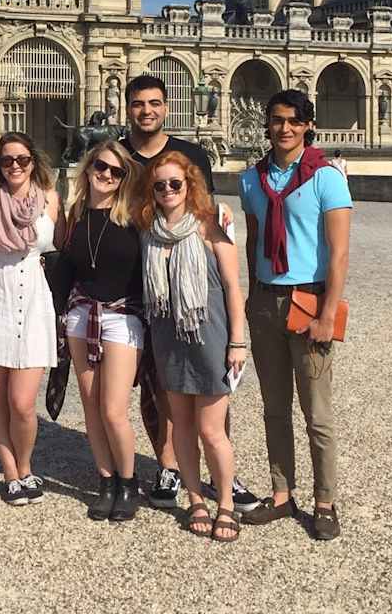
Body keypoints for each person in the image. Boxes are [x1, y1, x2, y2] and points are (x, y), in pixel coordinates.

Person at [119, 73, 259, 515]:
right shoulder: (115, 156)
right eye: (139, 103)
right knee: (158, 390)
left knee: (211, 391)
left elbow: (211, 215)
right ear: (127, 108)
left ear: (166, 106)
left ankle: (224, 474)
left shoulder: (191, 154)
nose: (148, 111)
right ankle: (169, 466)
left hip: (195, 299)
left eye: (155, 103)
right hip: (139, 288)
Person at [238, 89, 352, 541]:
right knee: (273, 408)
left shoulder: (327, 178)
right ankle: (282, 494)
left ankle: (325, 501)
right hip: (266, 299)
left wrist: (327, 314)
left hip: (308, 300)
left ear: (307, 125)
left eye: (292, 120)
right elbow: (252, 243)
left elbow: (339, 255)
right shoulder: (251, 181)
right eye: (276, 120)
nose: (283, 128)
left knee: (317, 412)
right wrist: (250, 295)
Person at [137, 152, 247, 543]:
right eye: (159, 185)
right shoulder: (148, 230)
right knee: (180, 426)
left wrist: (238, 341)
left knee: (211, 430)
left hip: (210, 337)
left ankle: (226, 505)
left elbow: (234, 288)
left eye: (175, 184)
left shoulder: (212, 225)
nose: (167, 190)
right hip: (168, 339)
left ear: (190, 185)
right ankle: (196, 498)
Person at [0, 132, 63, 506]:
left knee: (23, 402)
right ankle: (10, 473)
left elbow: (64, 245)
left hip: (35, 298)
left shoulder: (51, 199)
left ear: (33, 162)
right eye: (7, 161)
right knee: (0, 394)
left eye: (21, 159)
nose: (15, 166)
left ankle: (26, 464)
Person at [61, 140, 146, 521]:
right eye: (101, 167)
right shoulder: (75, 212)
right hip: (81, 316)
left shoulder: (135, 215)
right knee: (91, 404)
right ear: (89, 168)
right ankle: (106, 480)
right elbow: (64, 266)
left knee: (113, 409)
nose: (107, 175)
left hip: (122, 316)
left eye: (116, 171)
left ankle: (128, 483)